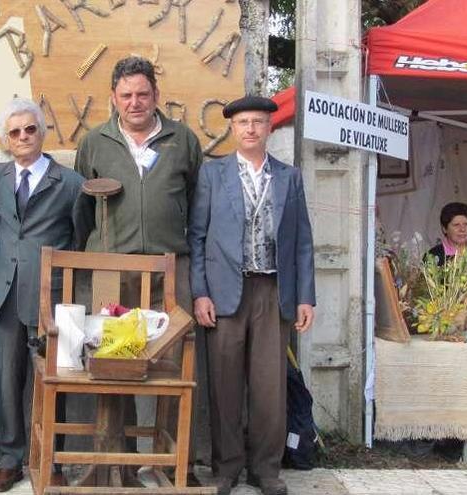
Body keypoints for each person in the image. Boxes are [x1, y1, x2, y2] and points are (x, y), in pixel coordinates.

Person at [73, 55, 204, 465]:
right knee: (113, 364)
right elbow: (81, 212)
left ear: (156, 96)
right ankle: (116, 460)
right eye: (126, 95)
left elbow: (198, 205)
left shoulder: (182, 141)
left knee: (173, 365)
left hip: (170, 269)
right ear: (113, 98)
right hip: (114, 272)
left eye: (142, 94)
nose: (135, 103)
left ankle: (171, 459)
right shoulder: (94, 142)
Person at [188, 95, 316, 495]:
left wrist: (305, 297)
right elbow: (197, 237)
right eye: (243, 122)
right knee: (225, 383)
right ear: (232, 127)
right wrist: (200, 293)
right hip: (225, 290)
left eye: (258, 122)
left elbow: (303, 243)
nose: (250, 129)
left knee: (269, 385)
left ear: (269, 128)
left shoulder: (289, 177)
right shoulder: (213, 174)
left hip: (273, 289)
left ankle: (266, 468)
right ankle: (226, 468)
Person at [0, 98, 84, 492]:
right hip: (5, 296)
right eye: (15, 132)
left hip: (52, 299)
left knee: (53, 383)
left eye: (30, 129)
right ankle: (10, 460)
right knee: (8, 383)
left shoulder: (71, 183)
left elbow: (78, 239)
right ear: (6, 140)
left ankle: (51, 458)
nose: (23, 137)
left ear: (43, 133)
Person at [426, 202, 467, 331]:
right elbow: (430, 292)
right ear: (445, 229)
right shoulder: (435, 256)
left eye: (466, 224)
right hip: (453, 321)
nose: (462, 229)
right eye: (456, 225)